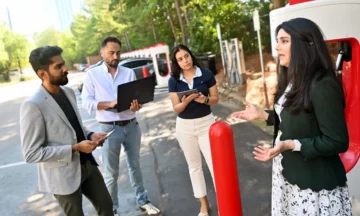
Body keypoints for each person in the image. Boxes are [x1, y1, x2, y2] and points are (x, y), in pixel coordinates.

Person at [232, 18, 352, 215]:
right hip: (288, 174)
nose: (277, 47)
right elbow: (299, 115)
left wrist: (290, 144)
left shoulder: (322, 84)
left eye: (284, 41)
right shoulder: (293, 79)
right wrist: (263, 114)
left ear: (307, 45)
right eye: (277, 41)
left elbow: (337, 141)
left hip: (314, 187)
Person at [20, 46, 114, 216]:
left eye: (63, 64)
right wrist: (75, 148)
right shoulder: (33, 105)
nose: (65, 69)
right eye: (58, 67)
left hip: (88, 165)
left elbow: (75, 128)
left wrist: (91, 135)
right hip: (62, 175)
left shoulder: (69, 92)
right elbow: (31, 154)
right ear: (43, 74)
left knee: (107, 206)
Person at [81, 37, 160, 215]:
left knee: (135, 165)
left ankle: (143, 201)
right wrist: (109, 104)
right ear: (102, 53)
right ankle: (112, 210)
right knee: (111, 172)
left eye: (118, 52)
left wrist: (137, 105)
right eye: (111, 53)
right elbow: (87, 102)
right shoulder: (92, 74)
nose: (115, 56)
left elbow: (136, 98)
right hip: (108, 128)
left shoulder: (128, 73)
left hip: (131, 125)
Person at [168, 44, 219, 216]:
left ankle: (224, 201)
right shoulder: (173, 80)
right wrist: (187, 101)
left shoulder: (206, 74)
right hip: (185, 127)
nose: (185, 61)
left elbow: (215, 99)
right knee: (194, 167)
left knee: (215, 165)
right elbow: (176, 107)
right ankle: (204, 205)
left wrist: (204, 100)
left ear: (191, 55)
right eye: (180, 59)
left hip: (207, 124)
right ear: (176, 63)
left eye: (186, 56)